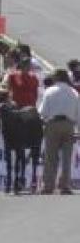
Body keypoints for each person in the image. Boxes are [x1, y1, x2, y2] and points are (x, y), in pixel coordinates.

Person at [39, 67, 80, 195]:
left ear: (56, 77)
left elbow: (43, 112)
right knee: (67, 157)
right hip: (69, 125)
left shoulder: (50, 91)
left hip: (53, 124)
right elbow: (78, 114)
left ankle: (48, 186)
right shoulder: (74, 92)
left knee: (51, 156)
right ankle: (64, 185)